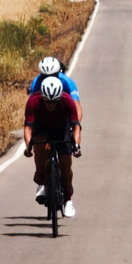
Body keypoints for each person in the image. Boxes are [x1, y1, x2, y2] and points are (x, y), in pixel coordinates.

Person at [24, 75, 80, 216]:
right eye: (47, 102)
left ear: (60, 97)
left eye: (54, 102)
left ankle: (68, 199)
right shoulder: (33, 101)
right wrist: (28, 147)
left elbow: (76, 126)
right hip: (42, 126)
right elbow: (28, 128)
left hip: (62, 128)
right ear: (42, 97)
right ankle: (42, 181)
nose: (51, 105)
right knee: (39, 144)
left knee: (66, 163)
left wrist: (77, 145)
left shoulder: (67, 101)